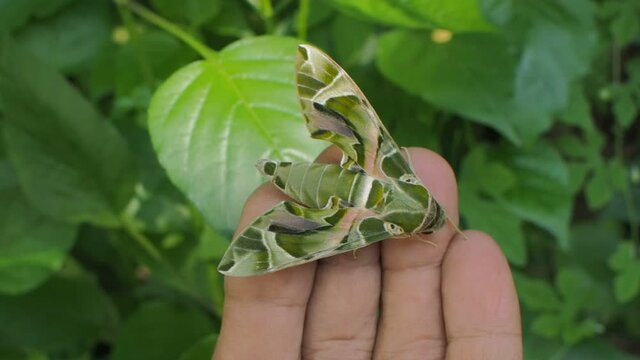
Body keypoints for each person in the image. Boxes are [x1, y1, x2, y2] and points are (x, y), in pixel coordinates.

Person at [212, 147, 522, 359]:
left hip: (339, 179)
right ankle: (262, 243)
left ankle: (262, 237)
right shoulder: (378, 228)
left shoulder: (393, 172)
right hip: (345, 212)